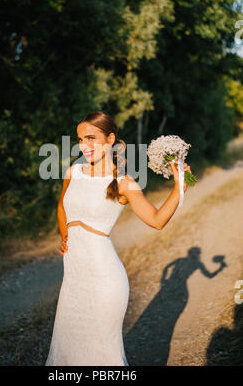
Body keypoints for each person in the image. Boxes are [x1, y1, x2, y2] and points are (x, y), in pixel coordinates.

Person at [45, 111, 191, 366]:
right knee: (70, 352)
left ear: (110, 138)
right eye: (80, 139)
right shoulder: (74, 171)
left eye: (91, 138)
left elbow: (157, 221)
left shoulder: (123, 183)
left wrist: (180, 187)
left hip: (105, 283)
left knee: (102, 355)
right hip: (73, 281)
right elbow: (61, 207)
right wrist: (65, 238)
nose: (84, 146)